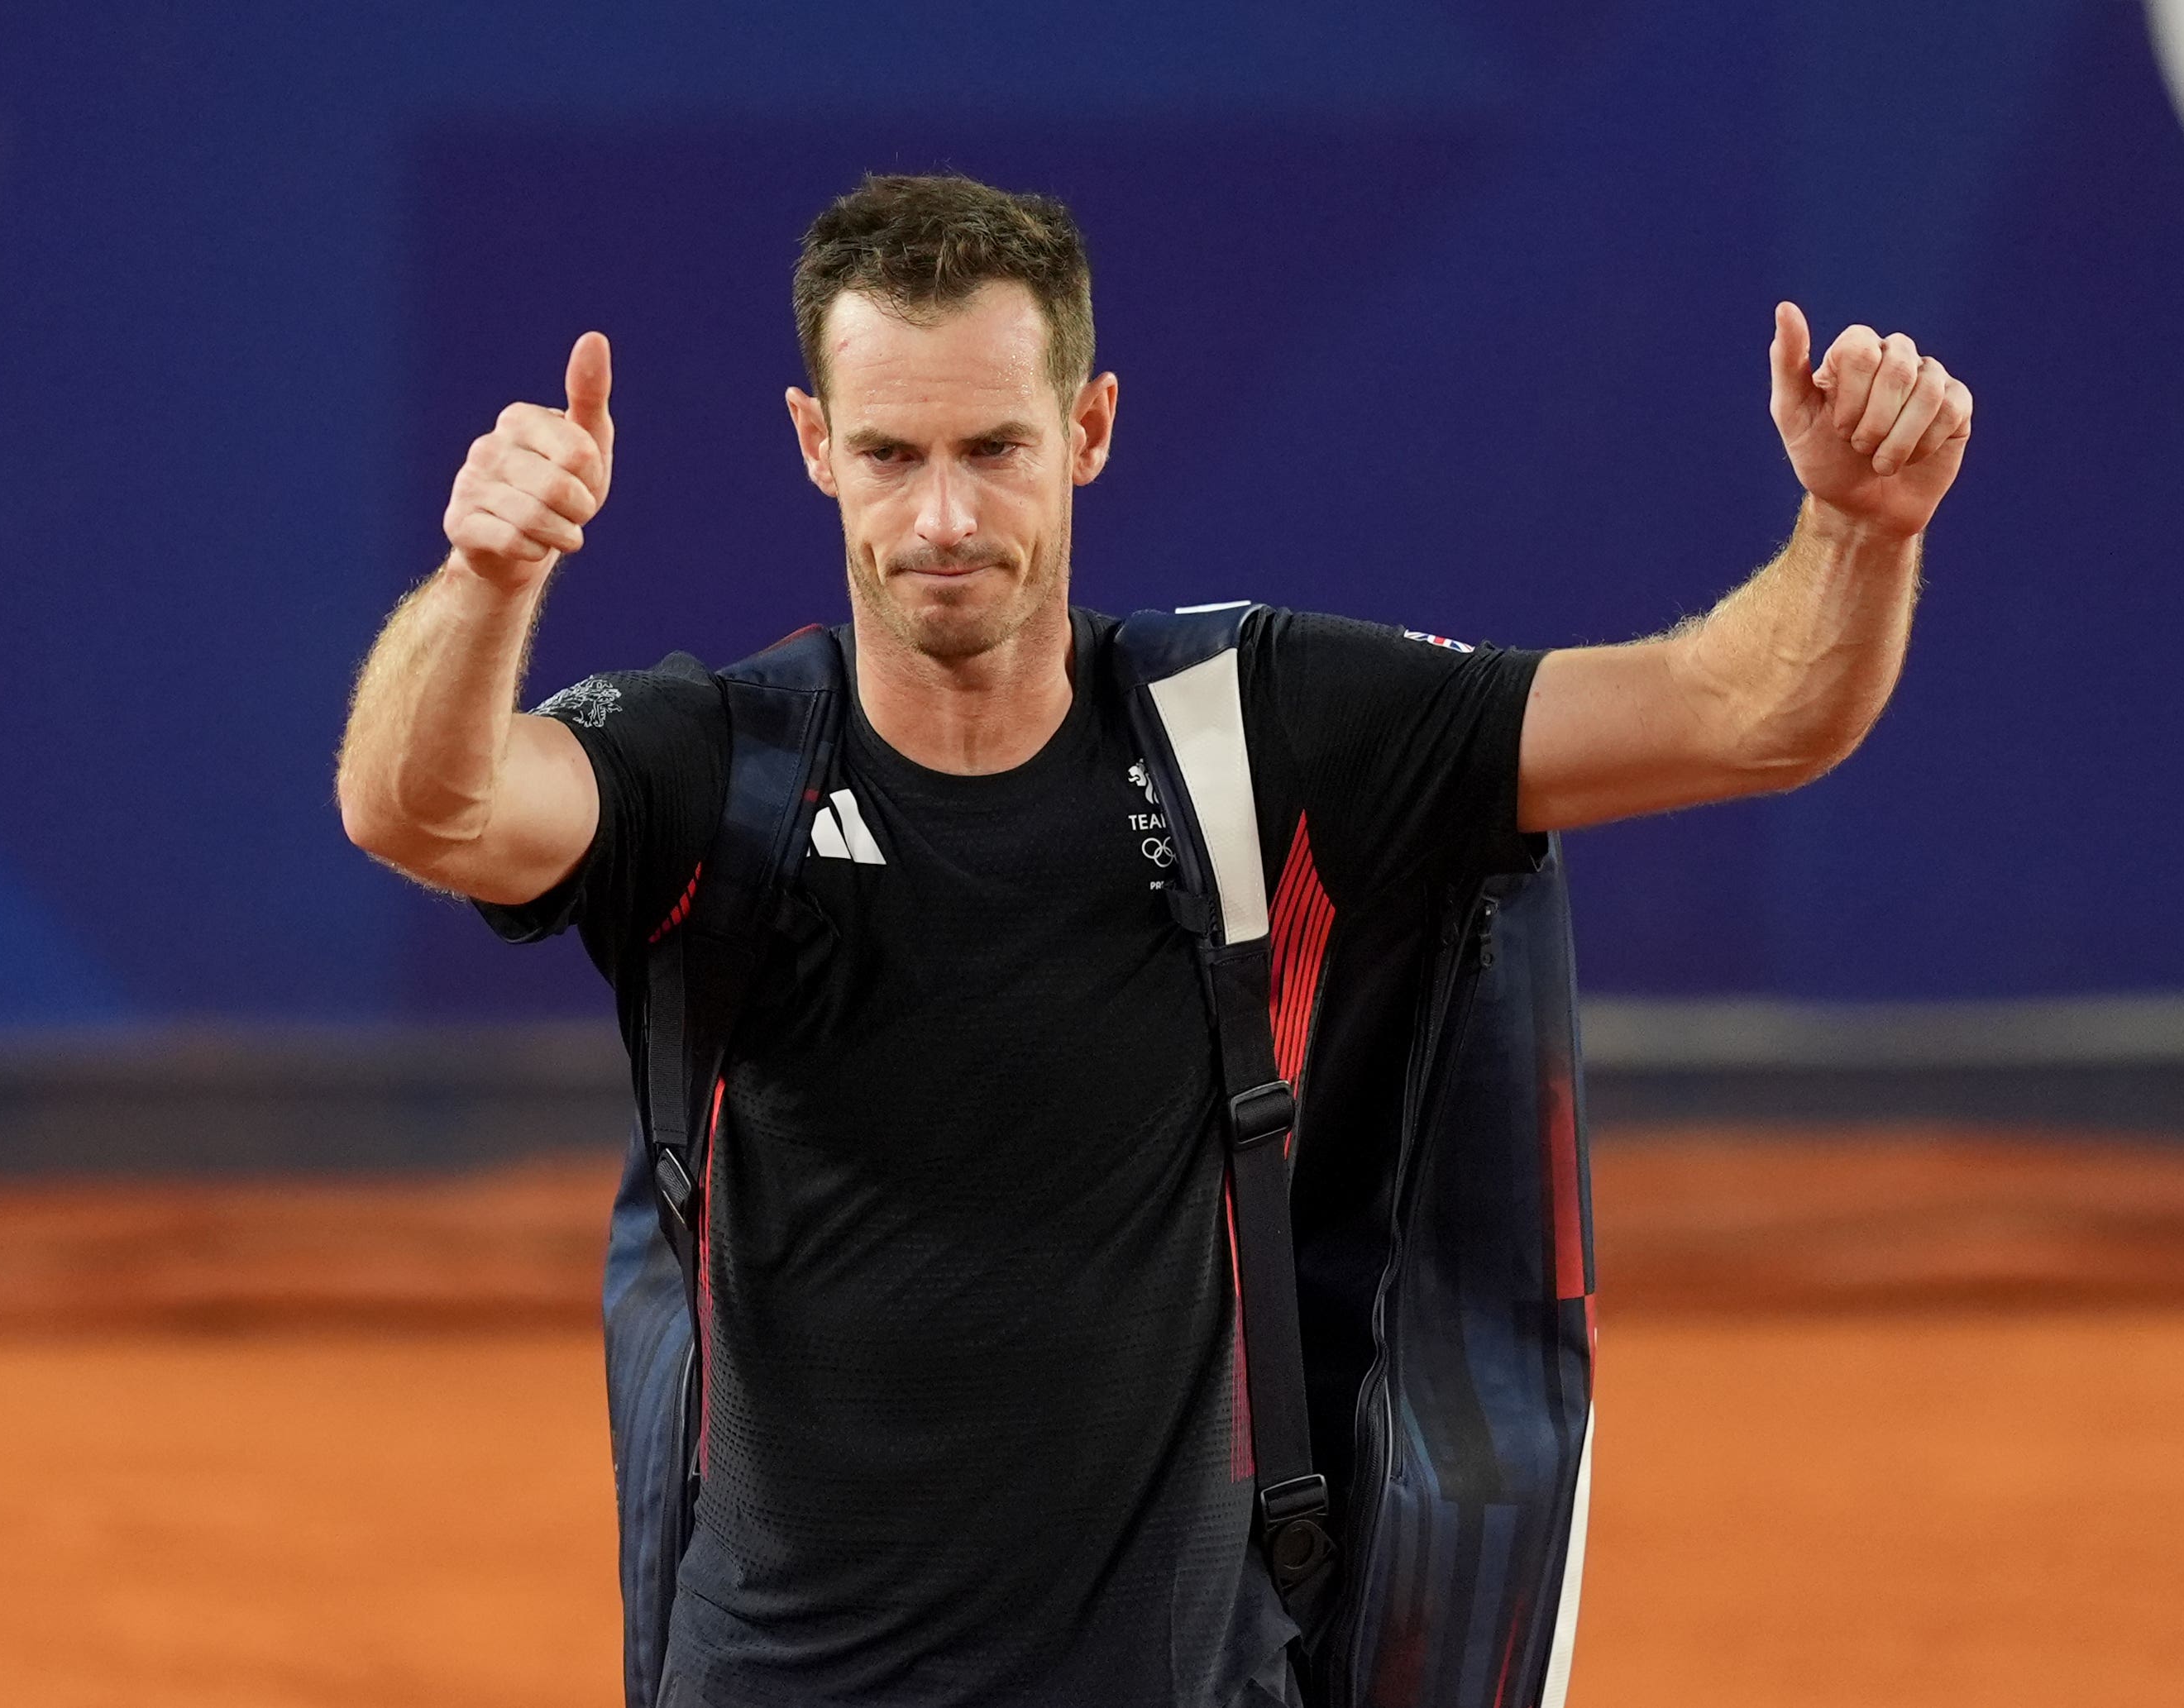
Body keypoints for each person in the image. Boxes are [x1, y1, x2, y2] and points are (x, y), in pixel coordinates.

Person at [335, 174, 1971, 1708]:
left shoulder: (1253, 735)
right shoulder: (716, 771)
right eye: (892, 455)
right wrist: (486, 580)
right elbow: (422, 807)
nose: (944, 517)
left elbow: (1740, 712)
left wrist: (1858, 528)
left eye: (996, 446)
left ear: (1090, 428)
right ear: (811, 444)